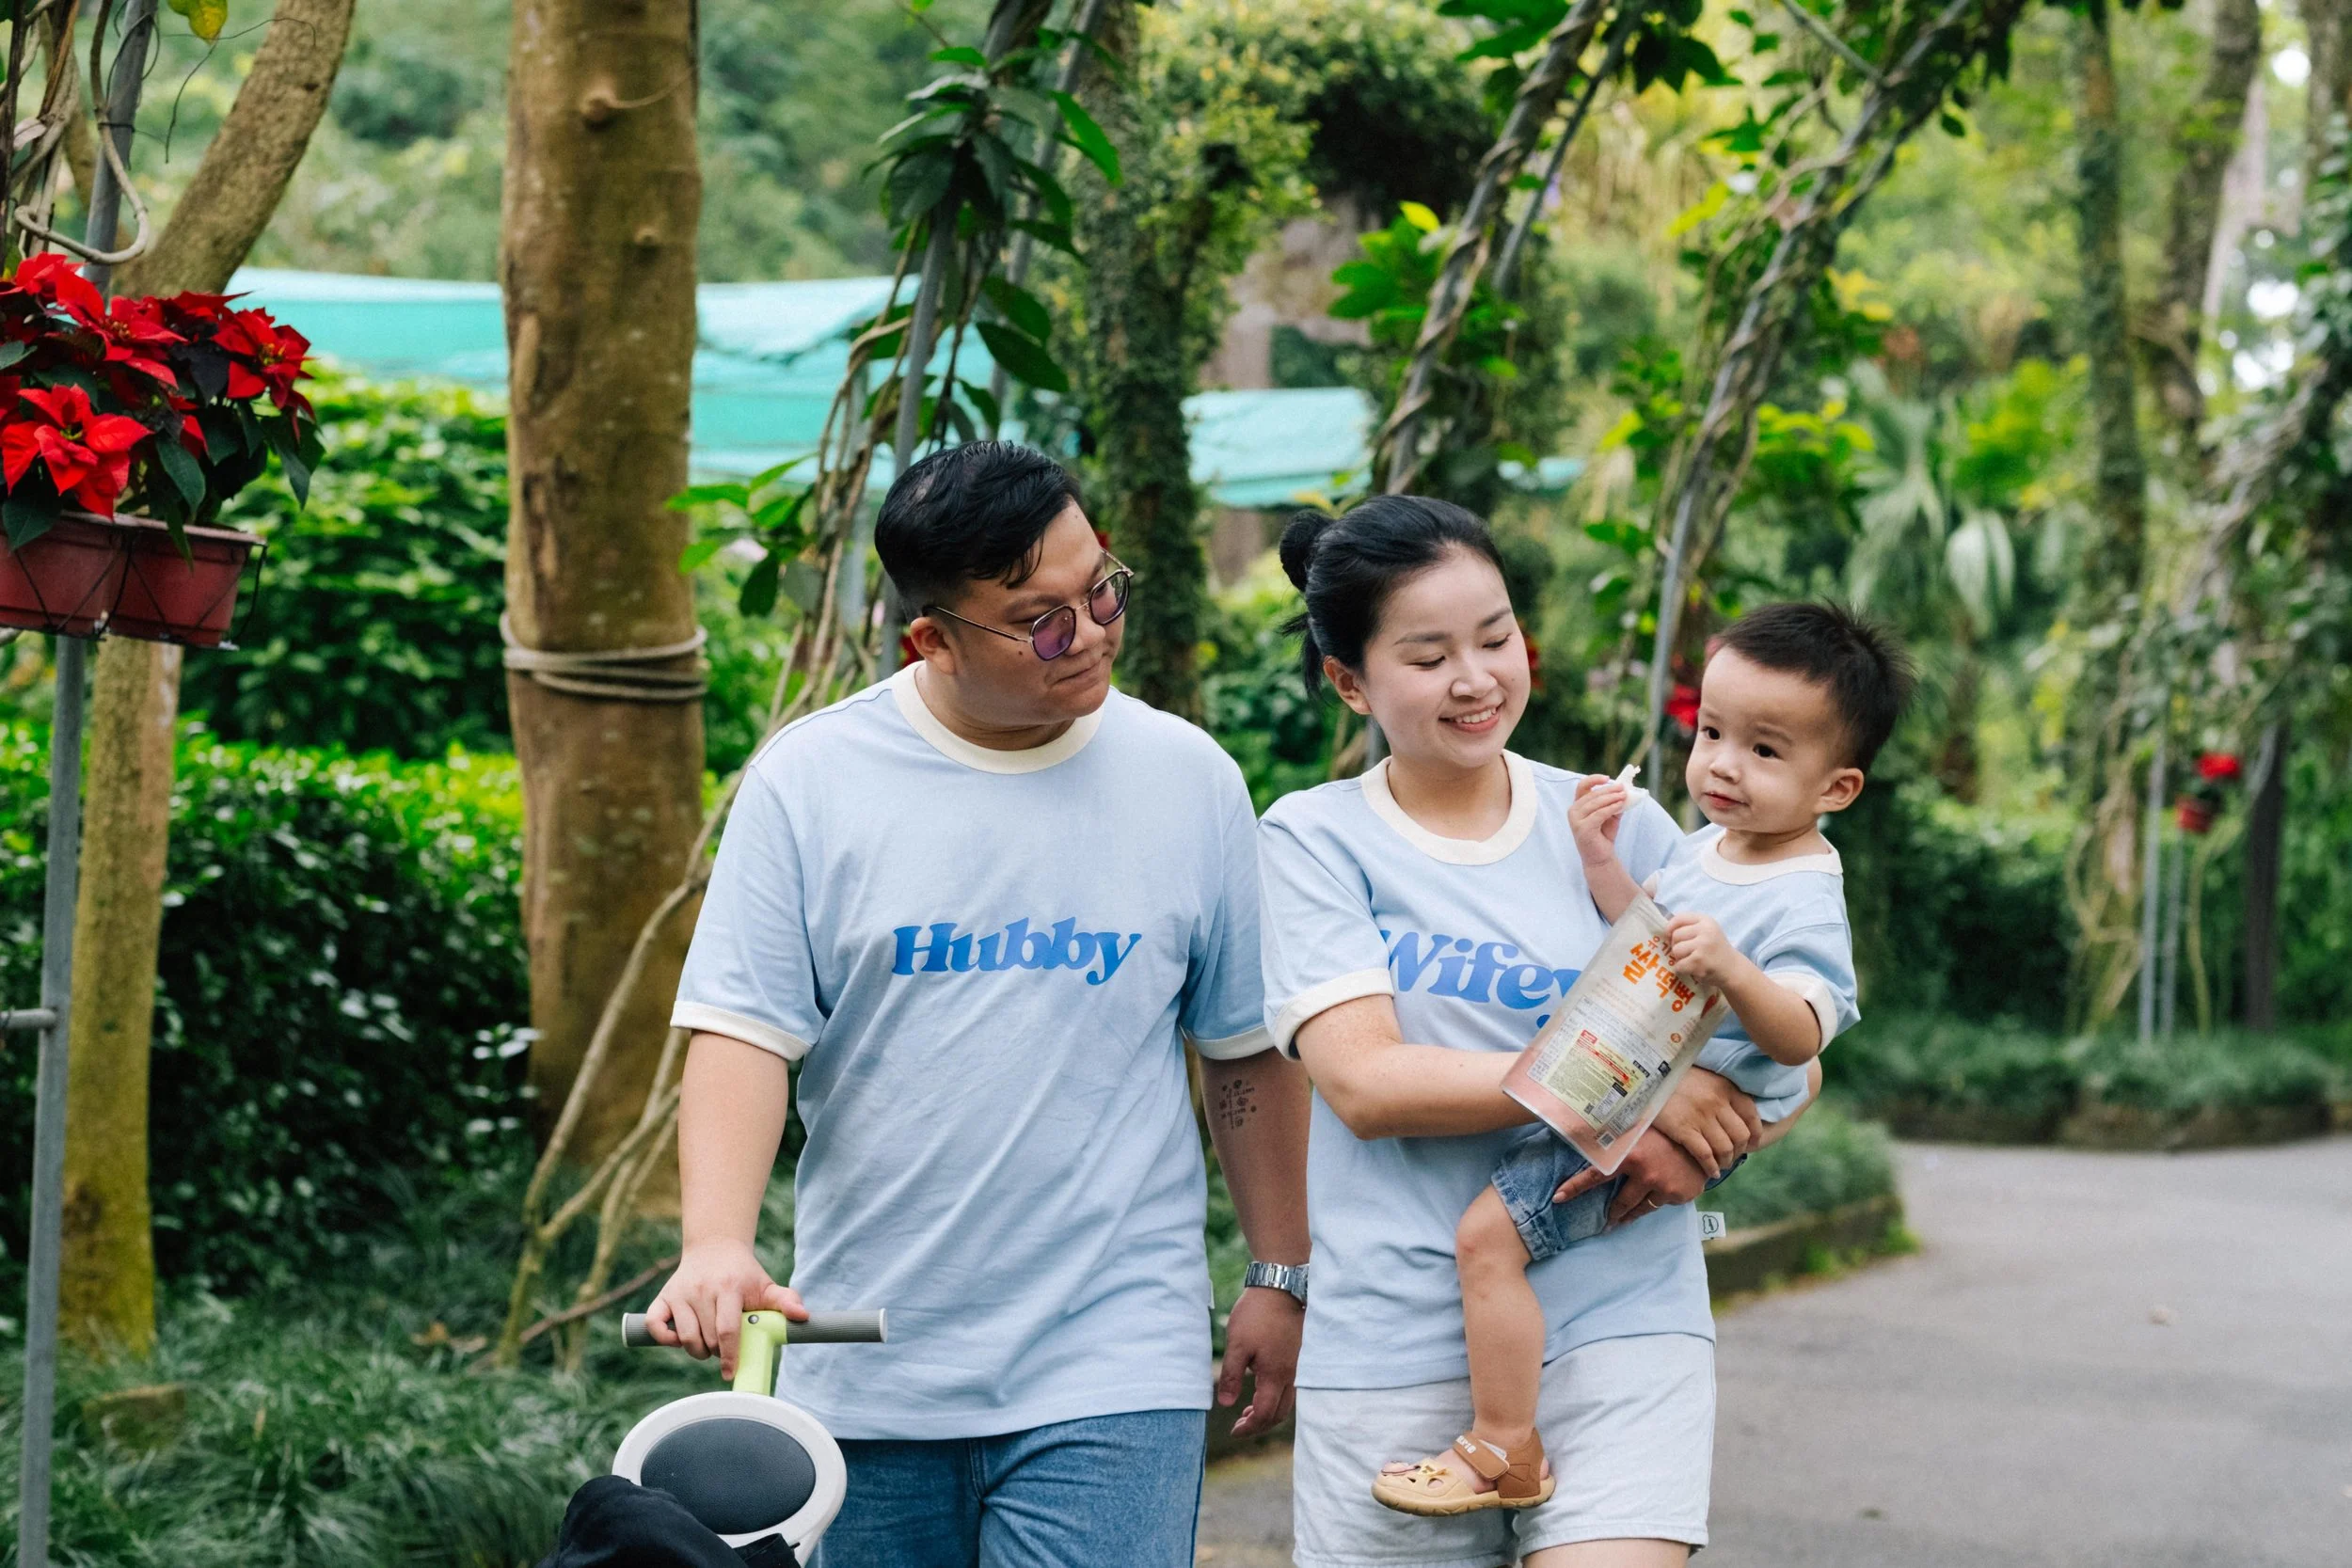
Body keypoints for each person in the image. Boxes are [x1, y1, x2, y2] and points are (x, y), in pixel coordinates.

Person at [643, 441, 1311, 1568]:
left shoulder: (1189, 778)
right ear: (931, 639)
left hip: (1113, 1353)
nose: (1092, 631)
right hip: (868, 1358)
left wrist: (1278, 1269)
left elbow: (1241, 1052)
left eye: (1100, 588)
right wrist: (715, 1241)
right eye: (1041, 618)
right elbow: (745, 1030)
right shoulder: (812, 784)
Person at [1258, 494, 1820, 1568]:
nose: (1476, 678)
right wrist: (1630, 1086)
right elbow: (1368, 1084)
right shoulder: (1314, 839)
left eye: (1496, 635)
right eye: (1427, 655)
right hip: (1397, 1342)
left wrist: (1705, 1130)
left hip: (1622, 1320)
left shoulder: (1611, 823)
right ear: (1348, 681)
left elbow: (1790, 1057)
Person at [1375, 600, 1912, 1521]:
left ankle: (1502, 1443)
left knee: (1484, 1241)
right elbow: (1647, 936)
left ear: (1838, 787)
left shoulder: (1804, 895)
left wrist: (1736, 970)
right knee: (1494, 1235)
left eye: (1766, 750)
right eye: (1712, 732)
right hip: (1636, 1091)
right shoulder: (1711, 849)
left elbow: (1802, 1033)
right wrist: (1598, 859)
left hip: (1658, 1117)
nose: (1722, 765)